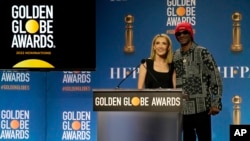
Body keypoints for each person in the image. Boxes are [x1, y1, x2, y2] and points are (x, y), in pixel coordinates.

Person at [173, 22, 223, 141]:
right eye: (178, 33)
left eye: (185, 32)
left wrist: (216, 102)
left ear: (190, 34)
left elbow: (215, 77)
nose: (182, 35)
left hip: (202, 107)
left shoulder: (202, 52)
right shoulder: (175, 55)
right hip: (183, 109)